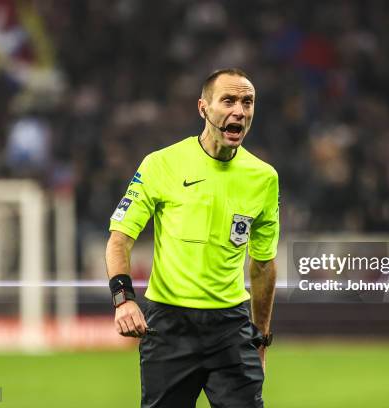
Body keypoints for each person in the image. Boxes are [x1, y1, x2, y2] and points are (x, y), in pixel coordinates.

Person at [105, 68, 279, 408]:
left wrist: (260, 338)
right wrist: (123, 299)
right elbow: (119, 240)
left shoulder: (264, 178)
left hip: (231, 326)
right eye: (228, 101)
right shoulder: (161, 165)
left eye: (247, 102)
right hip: (170, 328)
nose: (239, 111)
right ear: (203, 108)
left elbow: (262, 265)